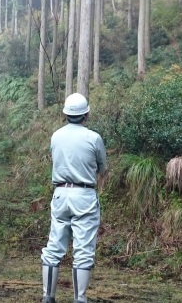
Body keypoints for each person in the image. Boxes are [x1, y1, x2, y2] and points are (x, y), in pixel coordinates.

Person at [41, 93, 107, 303]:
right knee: (83, 249)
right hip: (84, 194)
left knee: (54, 246)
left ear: (65, 114)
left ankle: (48, 297)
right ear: (86, 114)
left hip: (60, 193)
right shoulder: (93, 137)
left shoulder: (56, 136)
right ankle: (80, 299)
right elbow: (102, 167)